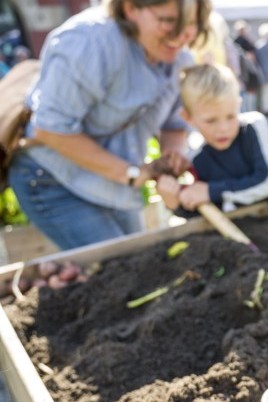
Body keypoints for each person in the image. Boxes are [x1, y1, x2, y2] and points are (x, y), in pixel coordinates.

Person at [7, 0, 210, 250]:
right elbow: (51, 130)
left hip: (114, 182)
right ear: (130, 8)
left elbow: (173, 125)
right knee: (123, 263)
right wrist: (131, 174)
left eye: (192, 23)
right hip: (52, 179)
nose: (183, 34)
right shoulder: (88, 43)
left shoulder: (178, 59)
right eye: (168, 21)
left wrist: (173, 155)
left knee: (140, 259)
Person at [157, 64, 268, 215]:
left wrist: (212, 191)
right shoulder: (198, 158)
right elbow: (210, 213)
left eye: (231, 116)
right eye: (211, 121)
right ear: (188, 117)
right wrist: (176, 204)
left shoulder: (254, 127)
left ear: (238, 104)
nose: (223, 128)